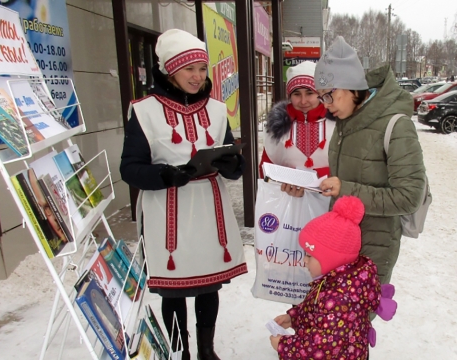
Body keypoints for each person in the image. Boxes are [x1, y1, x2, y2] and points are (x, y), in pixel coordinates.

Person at [120, 29, 247, 360]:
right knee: (173, 290)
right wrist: (165, 174)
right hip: (167, 212)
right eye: (189, 69)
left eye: (202, 69)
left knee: (208, 286)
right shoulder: (144, 110)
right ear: (169, 70)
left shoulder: (218, 110)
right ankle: (181, 353)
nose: (197, 76)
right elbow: (129, 168)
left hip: (208, 208)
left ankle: (206, 351)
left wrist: (233, 163)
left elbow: (227, 156)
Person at [315, 36, 426, 285]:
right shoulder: (346, 121)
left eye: (329, 95)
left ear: (352, 86)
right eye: (321, 97)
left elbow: (409, 197)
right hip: (340, 242)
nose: (325, 104)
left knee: (350, 322)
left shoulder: (396, 125)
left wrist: (346, 190)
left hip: (373, 249)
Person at [270, 196, 397, 359]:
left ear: (331, 260)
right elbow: (314, 310)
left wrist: (284, 346)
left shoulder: (340, 298)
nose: (304, 260)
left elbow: (324, 348)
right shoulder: (333, 281)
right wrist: (293, 317)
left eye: (310, 255)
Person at [259, 61, 334, 197]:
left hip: (330, 203)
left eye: (309, 93)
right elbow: (265, 170)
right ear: (289, 96)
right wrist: (285, 182)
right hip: (289, 205)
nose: (303, 101)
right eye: (297, 94)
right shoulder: (277, 128)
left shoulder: (337, 124)